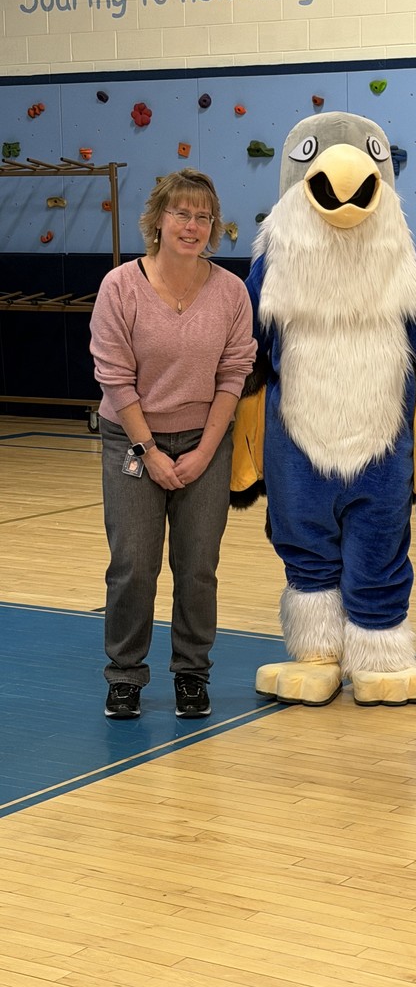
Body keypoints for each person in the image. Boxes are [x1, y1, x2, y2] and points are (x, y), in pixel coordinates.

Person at [90, 169, 257, 720]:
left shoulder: (231, 292)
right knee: (134, 564)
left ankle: (191, 673)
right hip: (132, 440)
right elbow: (115, 377)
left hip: (203, 440)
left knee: (197, 566)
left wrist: (206, 451)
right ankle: (125, 676)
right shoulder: (121, 286)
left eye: (203, 216)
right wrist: (149, 453)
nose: (192, 225)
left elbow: (235, 373)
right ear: (158, 220)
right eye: (181, 213)